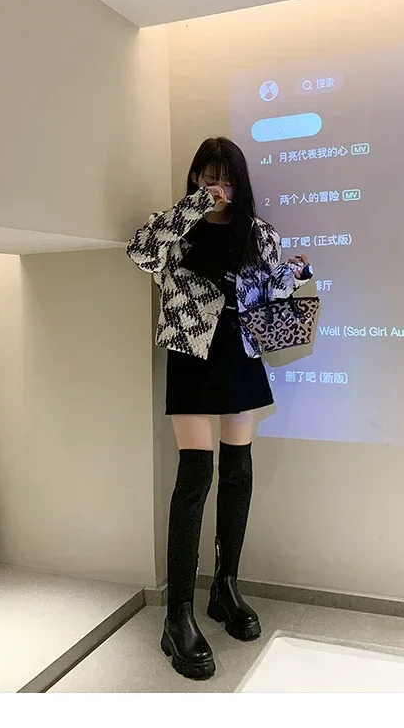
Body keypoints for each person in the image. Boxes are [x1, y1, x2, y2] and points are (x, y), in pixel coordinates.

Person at [126, 137, 313, 680]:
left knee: (238, 472)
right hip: (191, 354)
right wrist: (192, 206)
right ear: (195, 178)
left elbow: (273, 290)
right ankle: (178, 614)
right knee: (194, 478)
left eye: (227, 179)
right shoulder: (176, 227)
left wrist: (296, 273)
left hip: (241, 355)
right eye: (209, 179)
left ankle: (225, 588)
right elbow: (139, 252)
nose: (219, 189)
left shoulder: (258, 232)